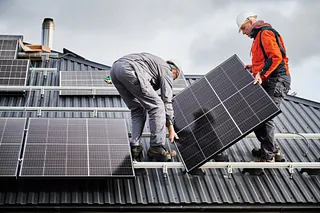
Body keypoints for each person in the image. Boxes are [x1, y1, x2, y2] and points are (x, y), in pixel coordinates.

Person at [236, 12, 291, 162]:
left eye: (244, 28)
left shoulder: (265, 32)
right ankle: (269, 148)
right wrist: (254, 68)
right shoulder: (258, 37)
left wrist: (261, 74)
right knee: (257, 116)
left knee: (265, 115)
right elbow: (265, 60)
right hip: (269, 79)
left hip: (277, 80)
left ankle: (268, 155)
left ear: (251, 21)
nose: (244, 32)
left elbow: (275, 57)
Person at [109, 52, 180, 161]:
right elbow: (167, 100)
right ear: (175, 71)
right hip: (131, 69)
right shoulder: (167, 70)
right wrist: (171, 129)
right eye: (174, 78)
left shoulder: (153, 65)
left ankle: (135, 146)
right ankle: (156, 146)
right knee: (157, 106)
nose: (172, 81)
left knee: (137, 108)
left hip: (115, 70)